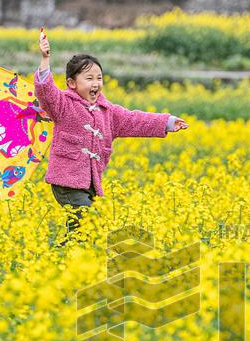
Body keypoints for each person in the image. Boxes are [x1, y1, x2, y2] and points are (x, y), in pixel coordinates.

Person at [34, 28, 189, 245]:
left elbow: (136, 120)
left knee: (82, 233)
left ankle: (60, 257)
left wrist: (167, 122)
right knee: (90, 222)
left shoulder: (108, 112)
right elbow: (46, 93)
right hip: (66, 182)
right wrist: (45, 60)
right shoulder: (63, 106)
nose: (96, 83)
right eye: (89, 78)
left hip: (90, 184)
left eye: (99, 78)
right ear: (72, 83)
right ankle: (65, 256)